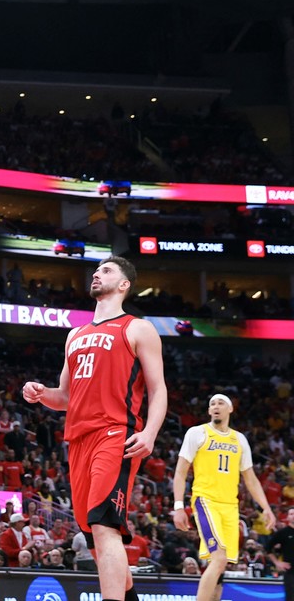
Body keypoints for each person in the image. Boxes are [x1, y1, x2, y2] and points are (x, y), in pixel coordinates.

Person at [23, 257, 167, 601]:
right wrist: (41, 393)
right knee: (94, 537)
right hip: (78, 439)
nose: (97, 274)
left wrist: (150, 433)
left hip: (115, 434)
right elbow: (65, 397)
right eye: (97, 270)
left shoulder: (138, 328)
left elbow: (158, 388)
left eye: (106, 270)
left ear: (124, 284)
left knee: (104, 526)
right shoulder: (75, 335)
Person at [171, 394, 276, 601]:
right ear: (209, 411)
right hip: (206, 500)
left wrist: (266, 508)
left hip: (230, 506)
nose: (216, 406)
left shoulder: (239, 439)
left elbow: (251, 479)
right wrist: (178, 506)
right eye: (212, 404)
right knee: (219, 558)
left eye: (220, 403)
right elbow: (180, 472)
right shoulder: (197, 433)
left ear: (230, 409)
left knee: (220, 566)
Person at [265, 508, 294, 600]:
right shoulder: (283, 533)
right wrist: (277, 562)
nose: (293, 516)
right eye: (291, 514)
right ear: (287, 517)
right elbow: (267, 548)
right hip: (291, 571)